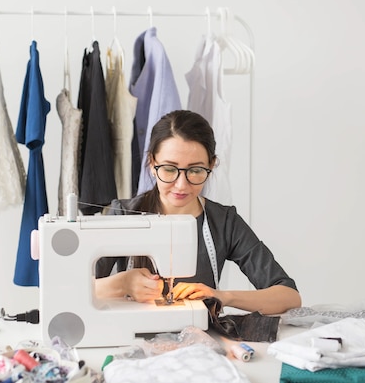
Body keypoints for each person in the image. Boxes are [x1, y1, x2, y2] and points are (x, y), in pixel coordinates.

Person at [95, 109, 301, 315]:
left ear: (211, 165)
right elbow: (70, 290)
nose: (181, 185)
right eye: (169, 169)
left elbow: (289, 296)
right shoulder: (123, 215)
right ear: (152, 163)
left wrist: (222, 297)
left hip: (202, 341)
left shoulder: (224, 222)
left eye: (195, 170)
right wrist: (122, 284)